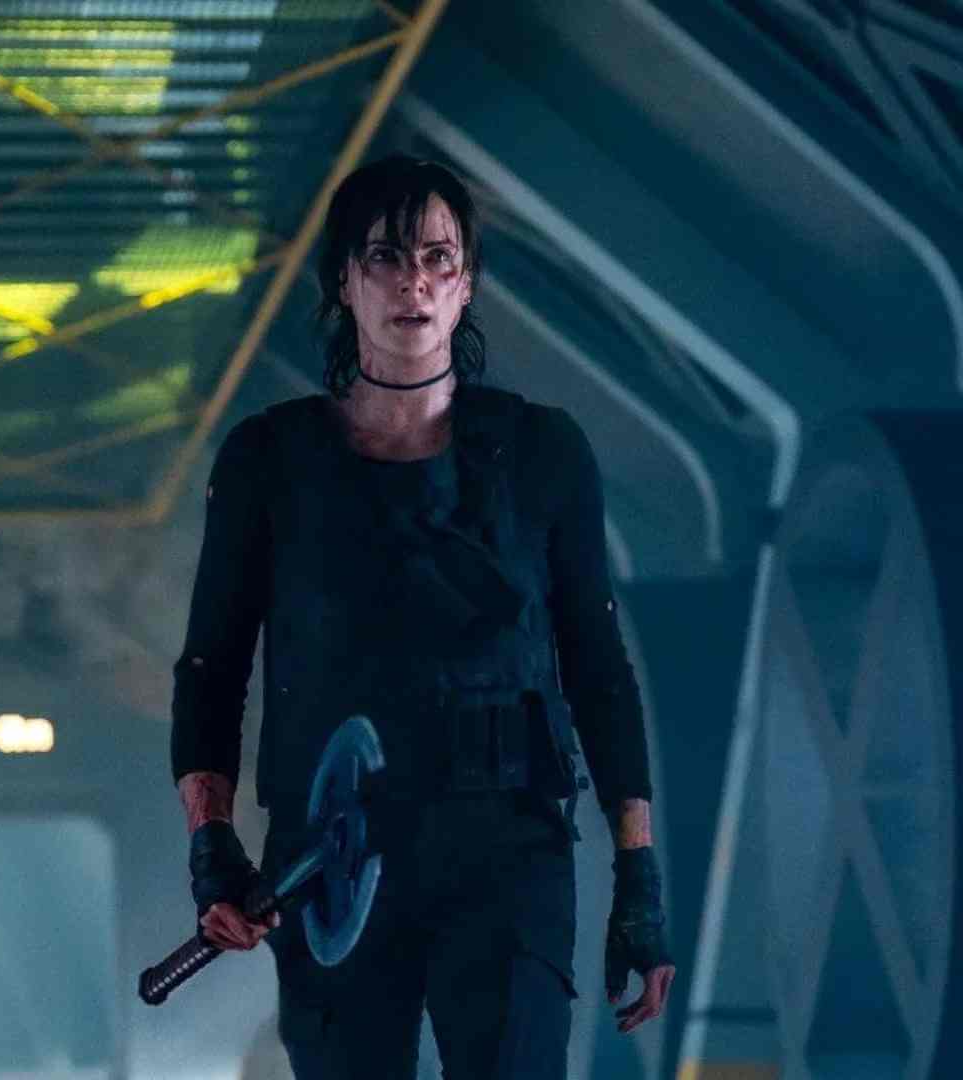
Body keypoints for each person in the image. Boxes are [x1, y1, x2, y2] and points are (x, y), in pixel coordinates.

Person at [170, 154, 676, 1079]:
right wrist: (211, 843)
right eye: (386, 257)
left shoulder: (542, 454)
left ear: (467, 282)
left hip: (508, 844)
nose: (414, 283)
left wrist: (638, 880)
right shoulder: (269, 461)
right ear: (344, 281)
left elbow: (599, 669)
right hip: (332, 853)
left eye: (438, 258)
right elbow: (212, 668)